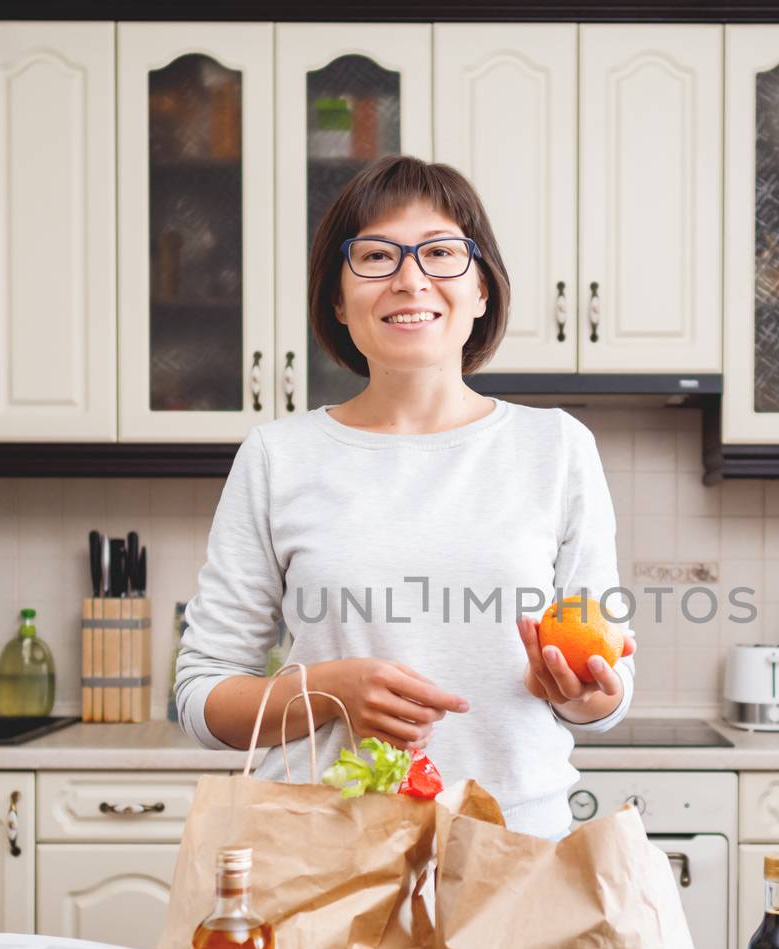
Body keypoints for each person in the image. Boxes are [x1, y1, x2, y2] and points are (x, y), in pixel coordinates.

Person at [174, 155, 635, 839]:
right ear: (338, 297)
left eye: (442, 253)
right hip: (327, 853)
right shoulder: (278, 457)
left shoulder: (557, 449)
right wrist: (328, 690)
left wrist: (591, 694)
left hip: (511, 844)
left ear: (482, 290)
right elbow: (201, 695)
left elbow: (607, 686)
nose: (411, 278)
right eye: (376, 256)